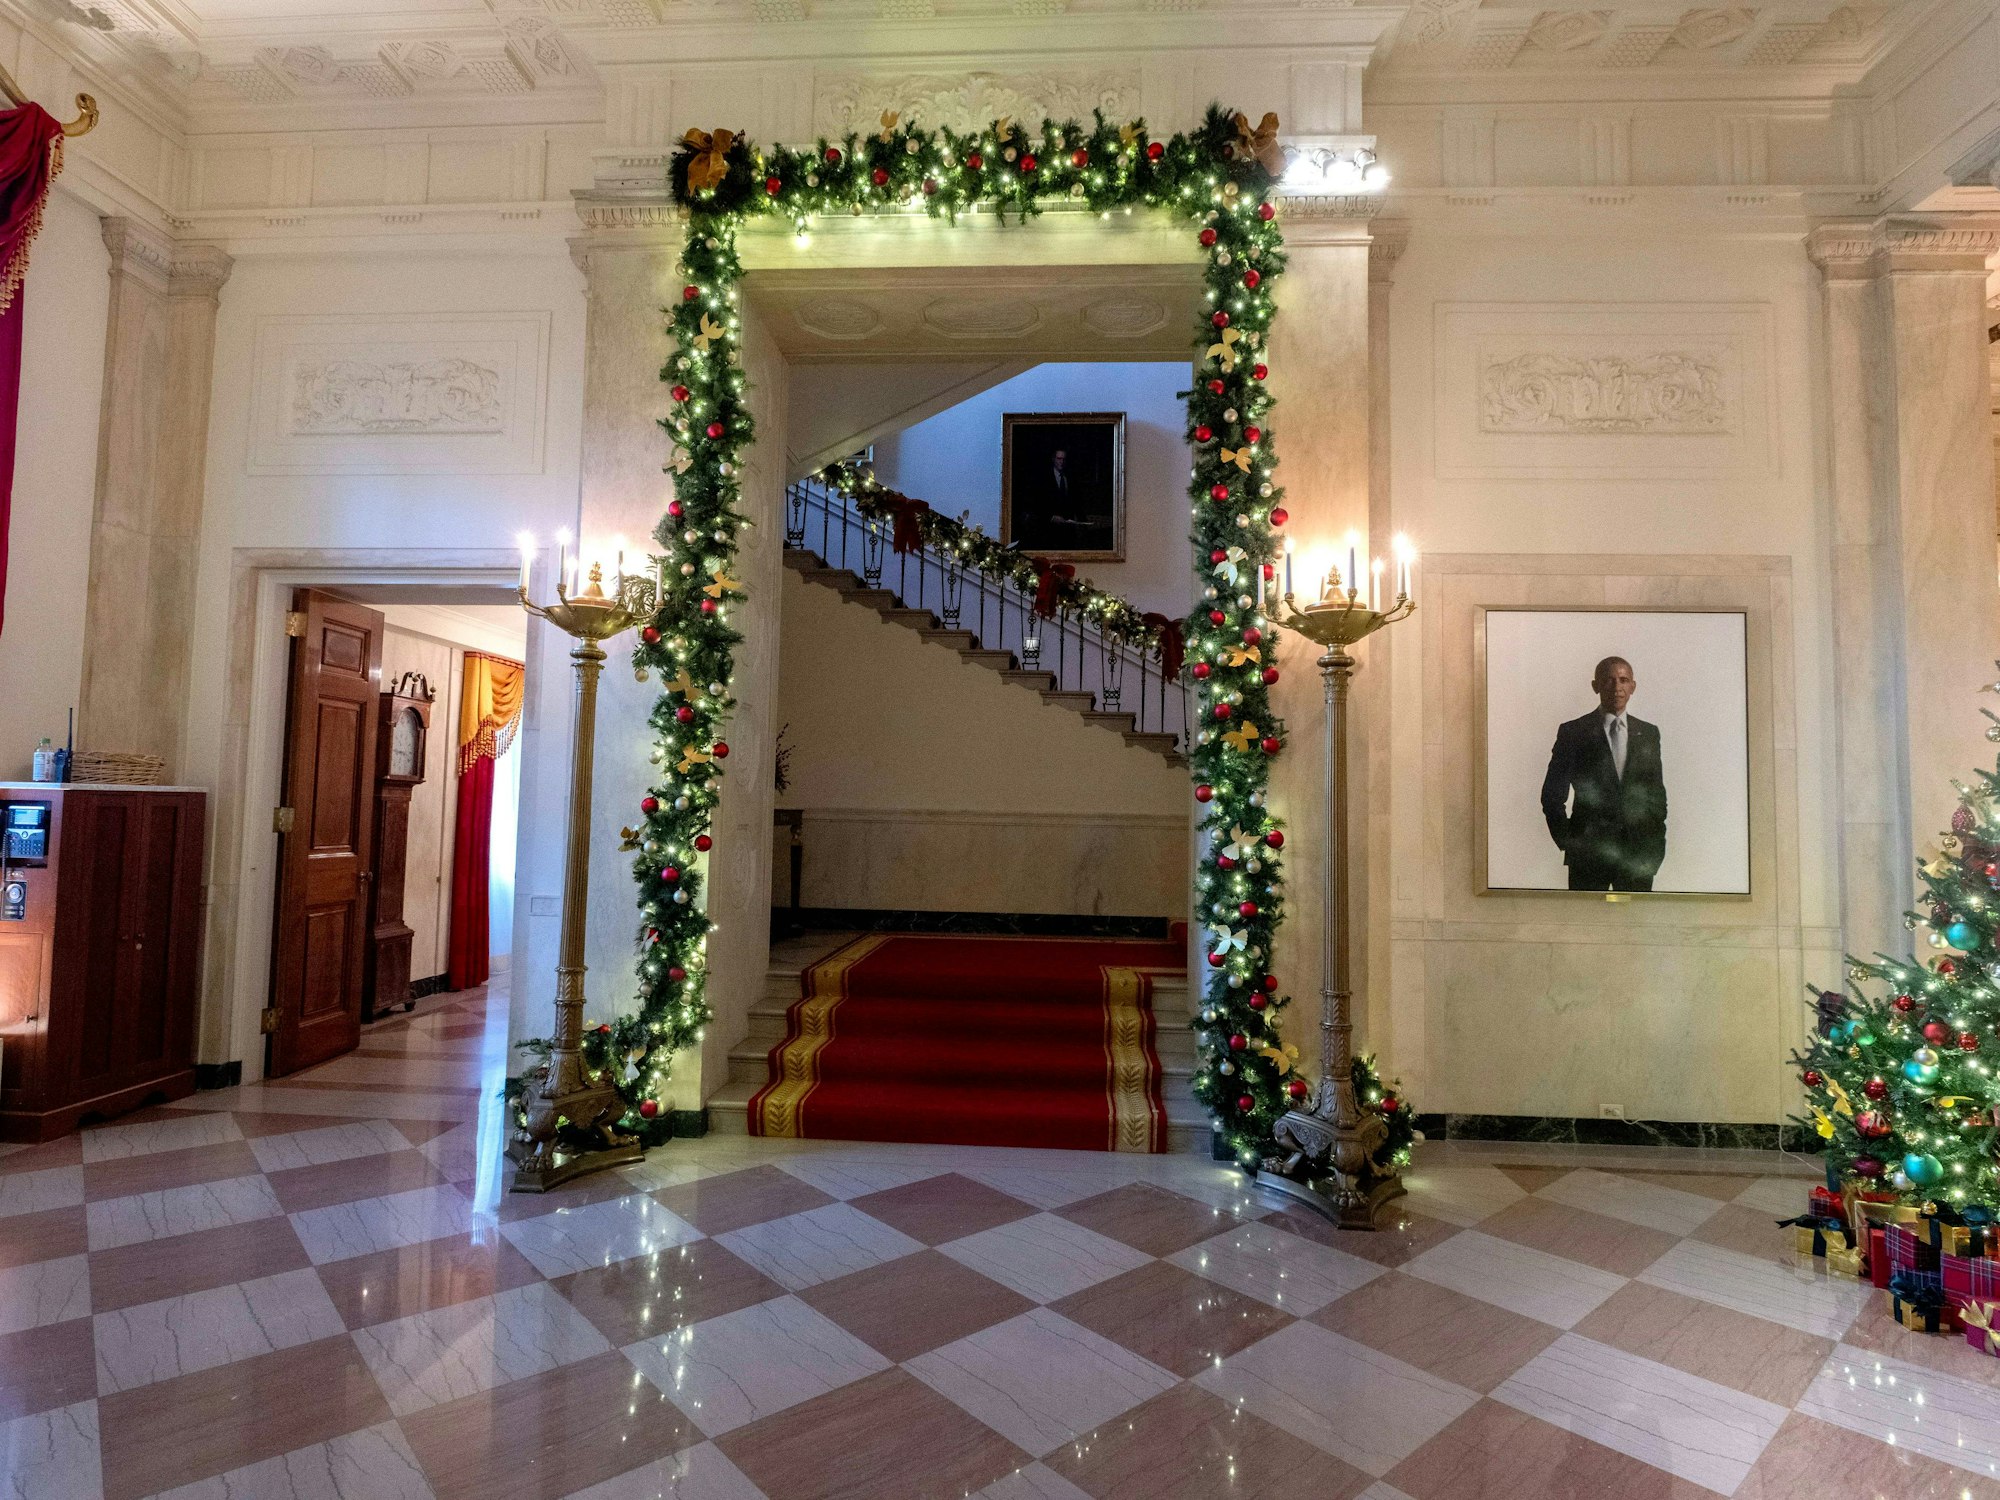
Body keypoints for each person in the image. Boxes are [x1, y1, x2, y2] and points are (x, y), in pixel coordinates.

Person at [1539, 655, 1667, 892]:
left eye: (1623, 680)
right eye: (1608, 680)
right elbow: (1552, 795)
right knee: (1586, 916)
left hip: (1636, 858)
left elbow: (1656, 796)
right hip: (1588, 857)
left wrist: (1655, 848)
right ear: (1595, 686)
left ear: (1633, 687)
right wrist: (1569, 841)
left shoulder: (1648, 733)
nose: (1617, 687)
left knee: (1633, 916)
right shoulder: (1574, 732)